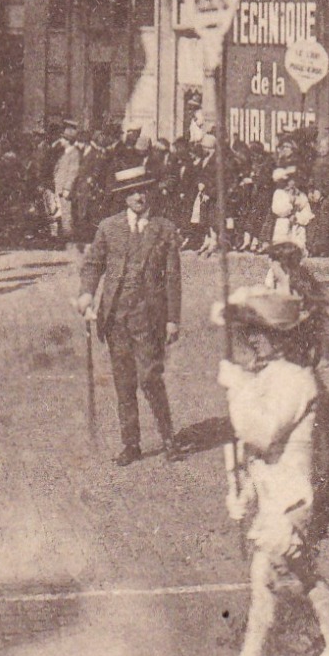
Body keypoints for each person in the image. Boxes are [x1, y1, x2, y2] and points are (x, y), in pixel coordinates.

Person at [214, 284, 329, 656]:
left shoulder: (295, 379)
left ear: (282, 336)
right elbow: (244, 443)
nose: (250, 339)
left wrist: (236, 388)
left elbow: (259, 432)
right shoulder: (268, 374)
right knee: (302, 572)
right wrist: (238, 484)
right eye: (247, 331)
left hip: (295, 496)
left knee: (265, 577)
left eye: (258, 332)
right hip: (275, 492)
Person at [76, 165, 182, 466]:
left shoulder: (164, 229)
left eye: (144, 190)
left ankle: (168, 438)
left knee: (150, 377)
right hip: (115, 316)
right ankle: (131, 443)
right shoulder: (109, 227)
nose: (139, 197)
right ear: (124, 197)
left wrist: (173, 318)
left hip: (149, 318)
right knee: (124, 382)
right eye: (133, 192)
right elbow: (93, 264)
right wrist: (87, 293)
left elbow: (173, 277)